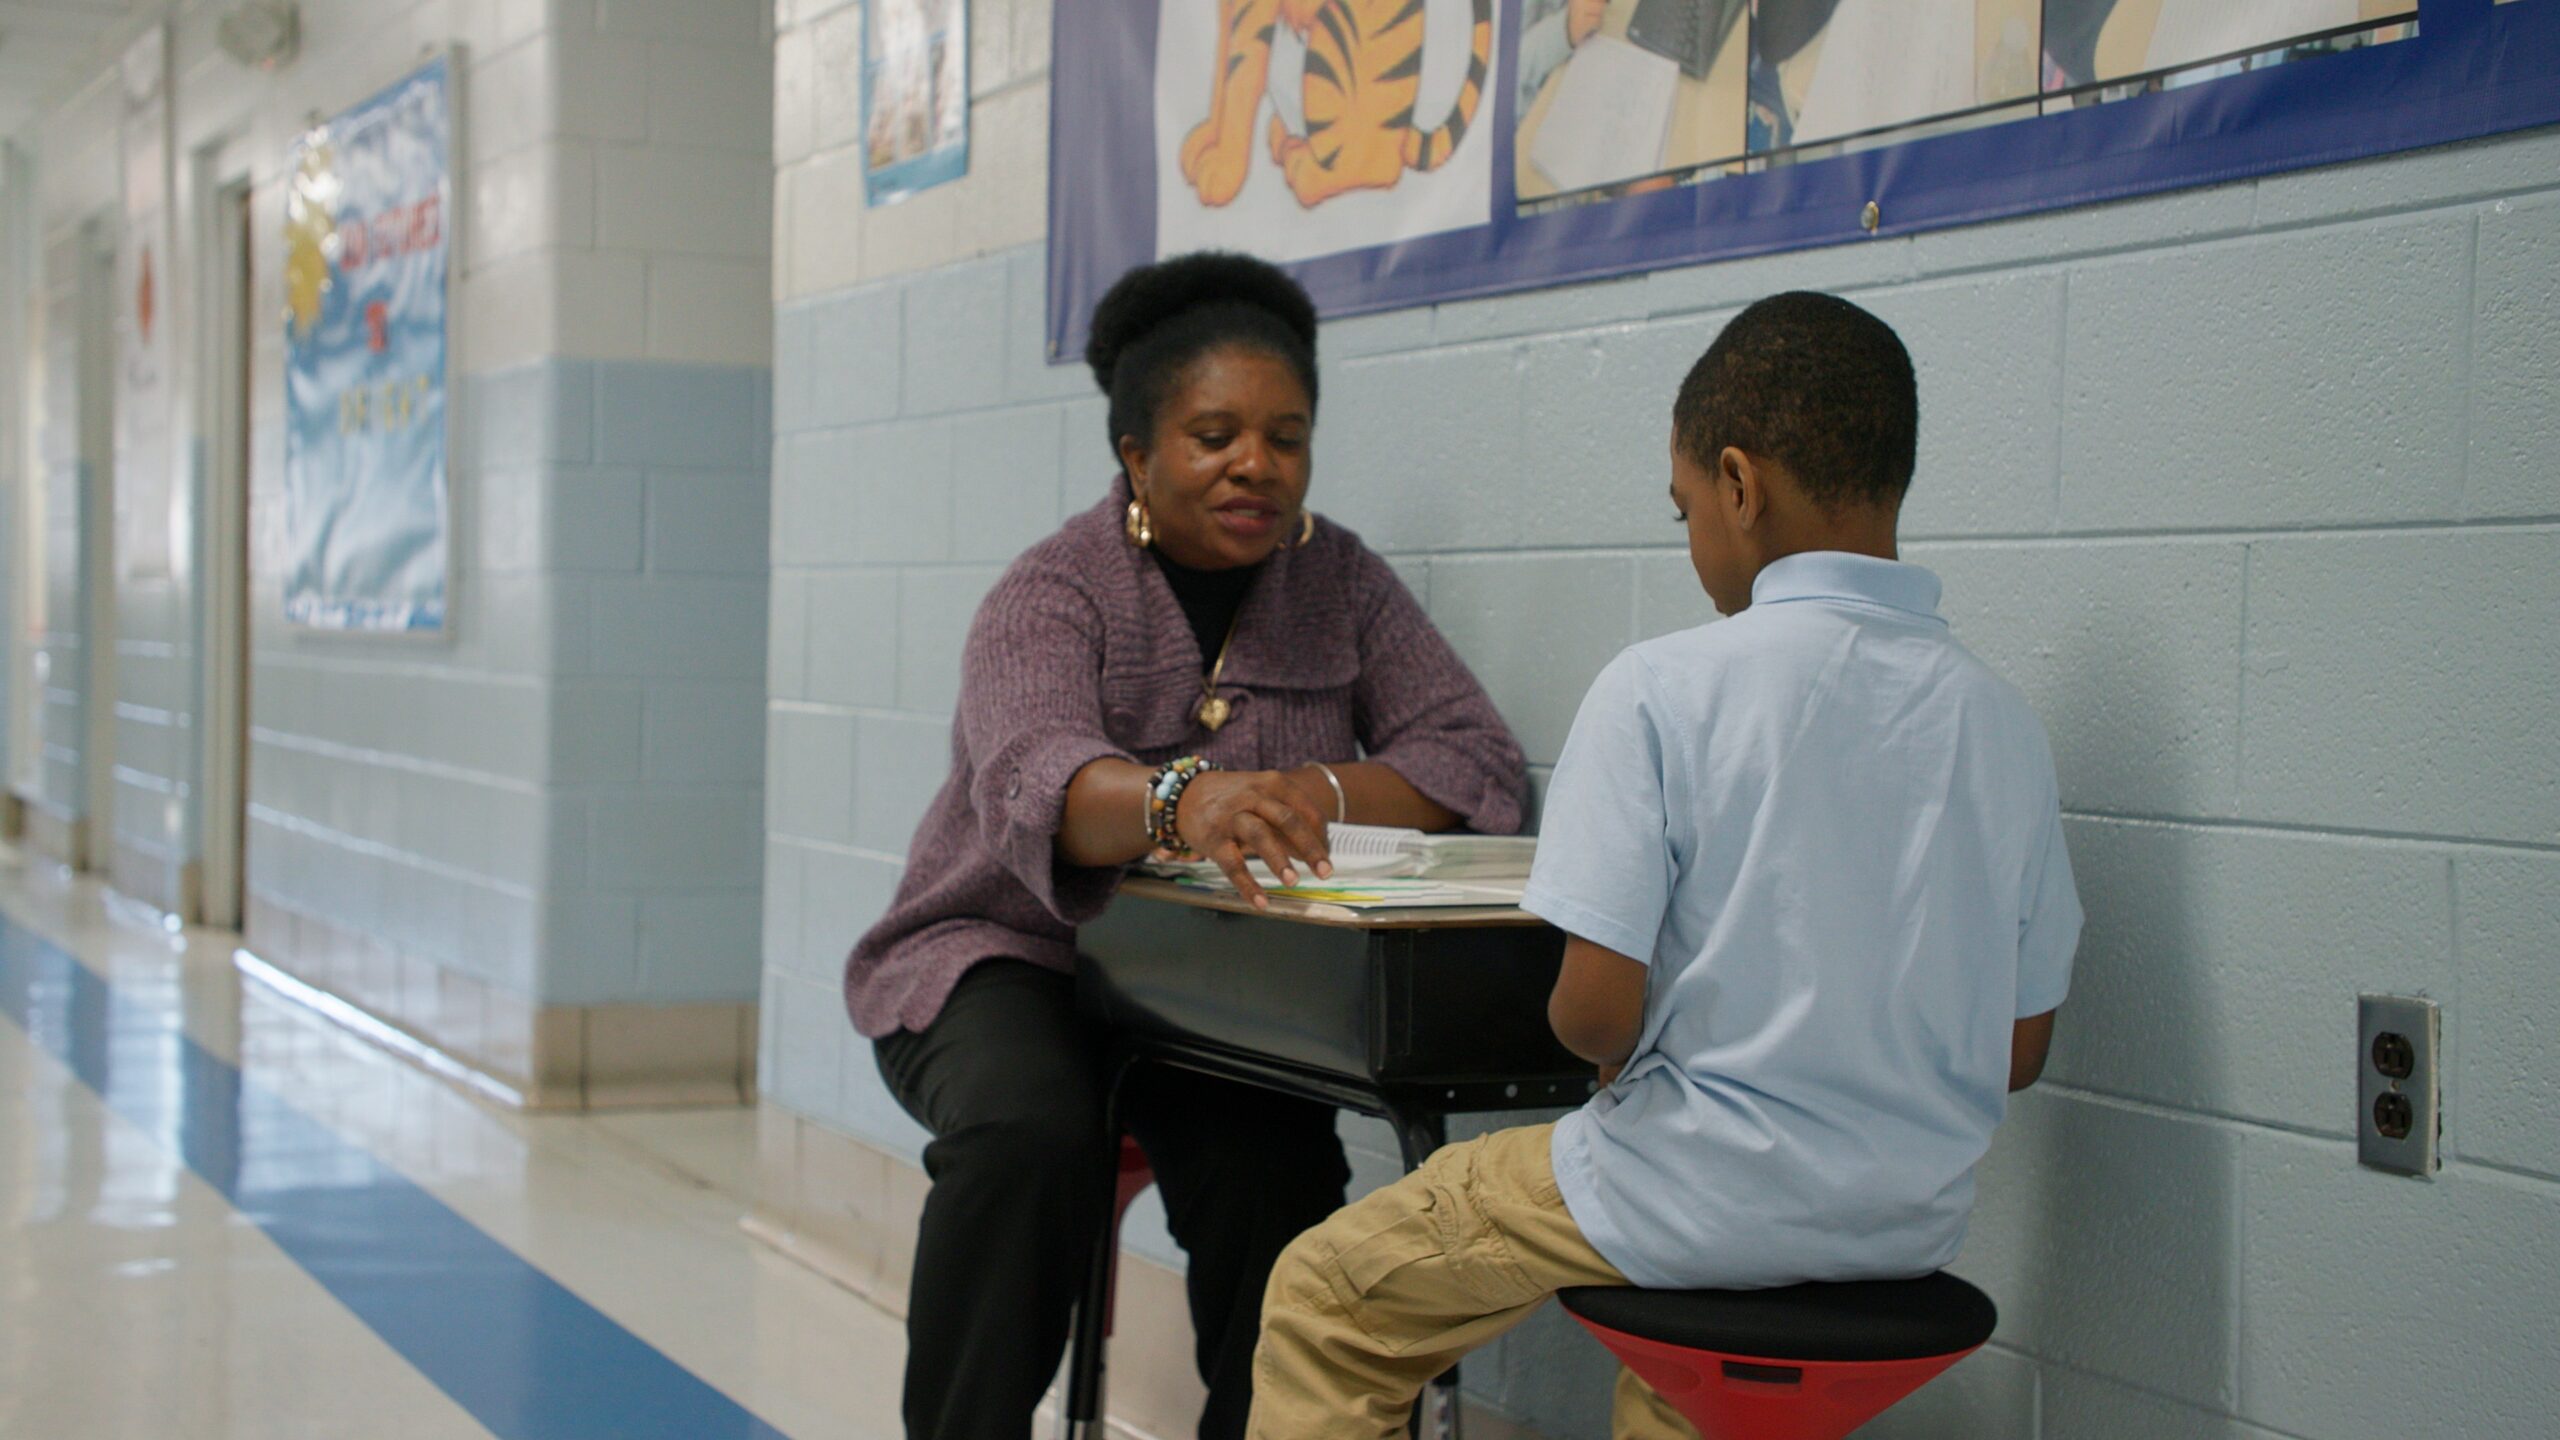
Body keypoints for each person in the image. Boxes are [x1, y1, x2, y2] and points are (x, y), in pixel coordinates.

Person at [1244, 292, 2083, 1438]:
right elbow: (2020, 1053)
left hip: (1685, 1193)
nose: (1692, 539)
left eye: (1686, 508)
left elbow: (1592, 1017)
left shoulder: (1663, 687)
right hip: (1903, 1224)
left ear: (1738, 486)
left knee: (1327, 1297)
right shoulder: (2002, 725)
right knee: (1688, 1375)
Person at [847, 250, 1528, 1440]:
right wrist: (1186, 802)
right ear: (1135, 456)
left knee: (1280, 1175)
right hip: (1008, 957)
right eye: (1215, 434)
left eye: (1286, 436)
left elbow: (1470, 759)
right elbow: (1032, 776)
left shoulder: (1341, 580)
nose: (1255, 466)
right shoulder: (1051, 591)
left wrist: (1304, 790)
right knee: (1028, 1135)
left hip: (1204, 985)